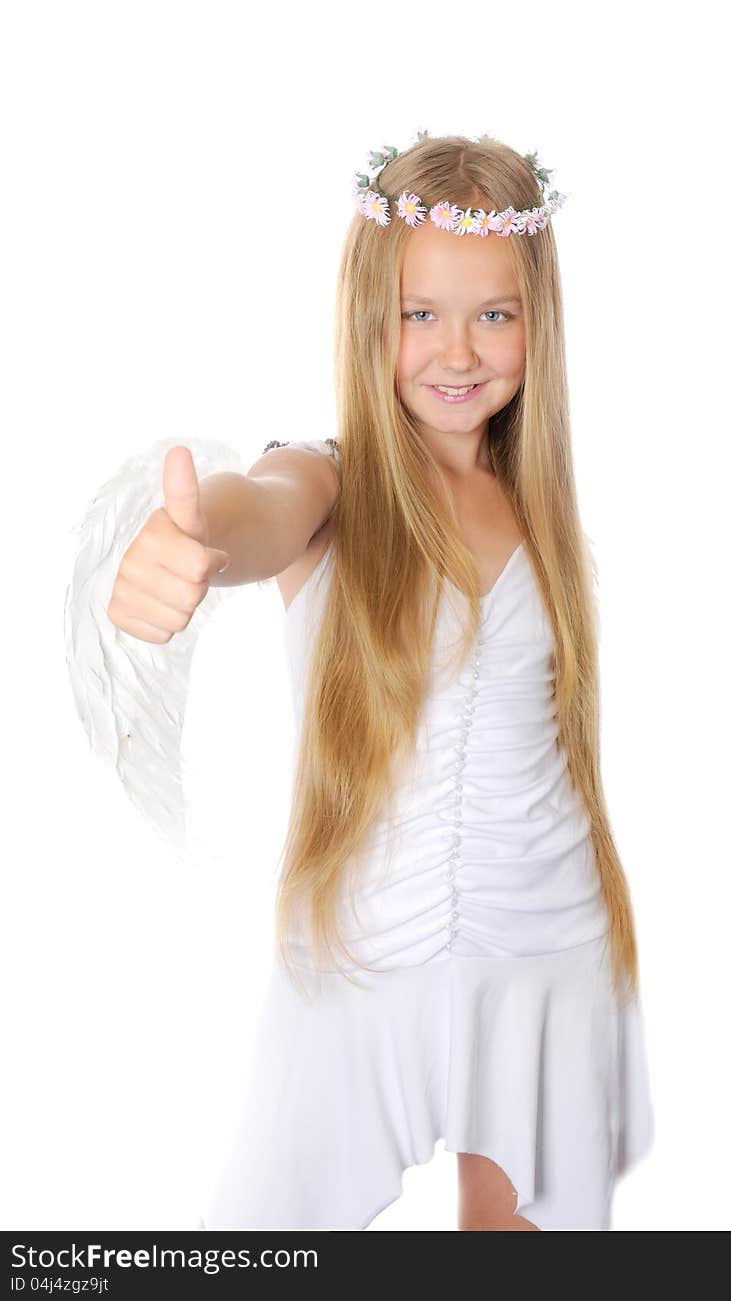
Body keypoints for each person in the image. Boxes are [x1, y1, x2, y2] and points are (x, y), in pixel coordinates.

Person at [92, 130, 655, 1231]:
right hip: (361, 952)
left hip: (545, 942)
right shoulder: (331, 482)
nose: (458, 348)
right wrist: (200, 541)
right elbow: (259, 507)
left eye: (493, 312)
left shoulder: (542, 519)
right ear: (369, 320)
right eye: (418, 313)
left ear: (536, 321)